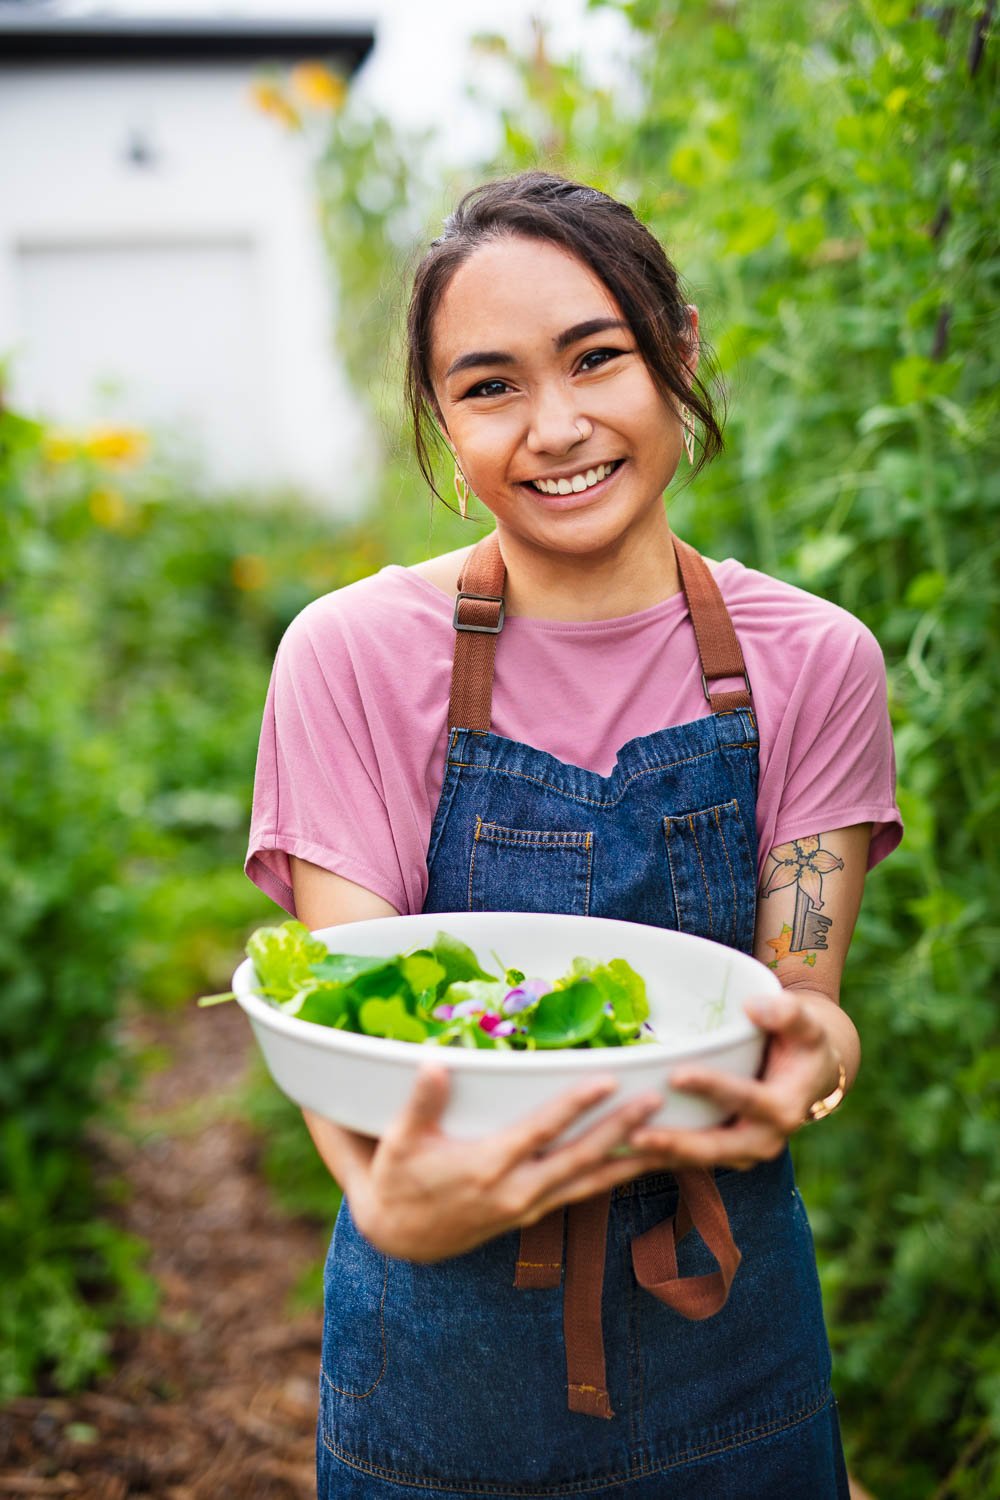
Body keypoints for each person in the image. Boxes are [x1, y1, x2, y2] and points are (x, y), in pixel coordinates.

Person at [245, 171, 902, 1499]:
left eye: (596, 357)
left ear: (682, 351)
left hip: (735, 1356)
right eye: (489, 387)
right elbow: (353, 1019)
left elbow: (806, 1000)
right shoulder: (354, 657)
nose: (556, 427)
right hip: (438, 1366)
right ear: (441, 418)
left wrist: (812, 1063)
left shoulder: (814, 662)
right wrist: (382, 1200)